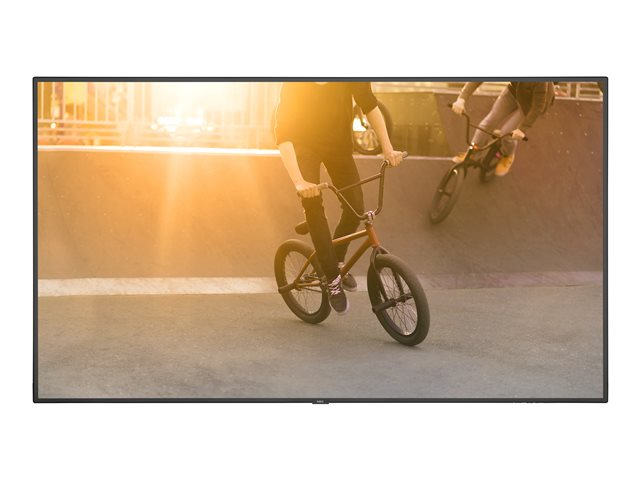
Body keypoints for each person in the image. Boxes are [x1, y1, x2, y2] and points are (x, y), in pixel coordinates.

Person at [275, 82, 404, 315]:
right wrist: (299, 182)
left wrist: (387, 148)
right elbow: (283, 133)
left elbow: (370, 105)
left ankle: (337, 259)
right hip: (305, 148)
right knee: (314, 208)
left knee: (356, 208)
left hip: (339, 148)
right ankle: (332, 278)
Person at [451, 81, 555, 176]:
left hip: (532, 104)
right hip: (514, 92)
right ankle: (473, 153)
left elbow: (537, 107)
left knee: (507, 133)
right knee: (487, 123)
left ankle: (508, 155)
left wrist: (522, 129)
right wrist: (461, 99)